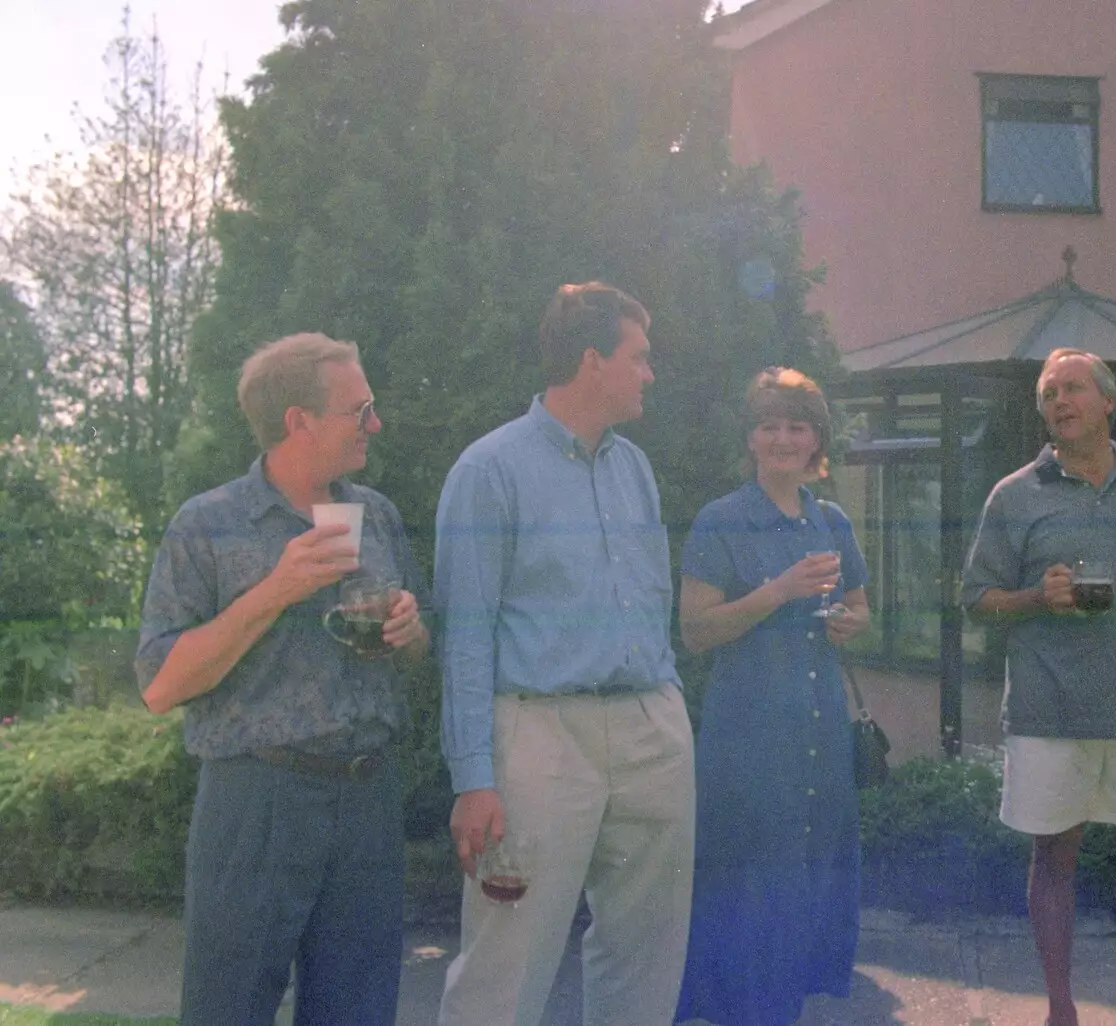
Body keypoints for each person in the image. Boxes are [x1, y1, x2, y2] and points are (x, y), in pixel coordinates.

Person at [136, 333, 431, 1026]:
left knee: (358, 1010)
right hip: (257, 800)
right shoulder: (207, 525)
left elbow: (417, 654)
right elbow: (158, 684)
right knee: (229, 1008)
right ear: (299, 421)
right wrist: (274, 590)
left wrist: (409, 629)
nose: (375, 424)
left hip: (366, 797)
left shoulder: (378, 516)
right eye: (360, 409)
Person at [434, 281, 695, 1026]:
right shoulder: (489, 473)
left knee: (647, 954)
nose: (651, 373)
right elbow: (466, 636)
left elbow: (651, 604)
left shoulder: (633, 468)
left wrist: (666, 707)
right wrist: (474, 778)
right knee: (505, 965)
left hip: (652, 728)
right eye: (639, 357)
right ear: (592, 361)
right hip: (540, 738)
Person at [961, 348, 1116, 1026]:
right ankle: (1061, 1008)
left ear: (1109, 401)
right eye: (1048, 393)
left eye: (1073, 388)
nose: (1059, 402)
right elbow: (975, 599)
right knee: (1054, 862)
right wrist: (1032, 599)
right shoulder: (1015, 494)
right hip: (1050, 714)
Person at [674, 367, 872, 1026]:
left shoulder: (832, 520)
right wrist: (778, 591)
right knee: (749, 903)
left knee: (805, 896)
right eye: (769, 426)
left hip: (819, 740)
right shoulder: (722, 520)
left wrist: (849, 622)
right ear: (751, 438)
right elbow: (697, 631)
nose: (783, 438)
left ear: (816, 440)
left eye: (797, 425)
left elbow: (859, 609)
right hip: (749, 742)